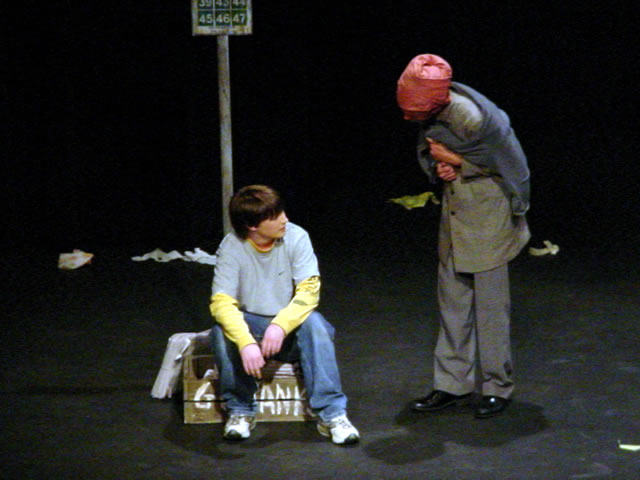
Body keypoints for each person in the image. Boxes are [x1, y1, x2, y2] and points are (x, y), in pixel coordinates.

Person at [396, 54, 531, 418]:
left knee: (491, 309)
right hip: (456, 215)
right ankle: (452, 385)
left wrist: (460, 162)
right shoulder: (436, 115)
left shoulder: (472, 118)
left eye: (412, 110)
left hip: (488, 217)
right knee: (453, 304)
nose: (408, 118)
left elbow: (509, 164)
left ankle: (497, 387)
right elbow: (433, 150)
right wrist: (440, 165)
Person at [209, 184, 360, 444]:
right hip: (254, 329)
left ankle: (333, 415)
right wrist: (245, 342)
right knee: (221, 332)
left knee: (315, 324)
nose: (285, 219)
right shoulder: (232, 246)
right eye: (275, 216)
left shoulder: (296, 237)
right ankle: (240, 410)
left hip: (288, 333)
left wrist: (280, 325)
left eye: (282, 212)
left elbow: (309, 291)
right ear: (252, 225)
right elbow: (221, 302)